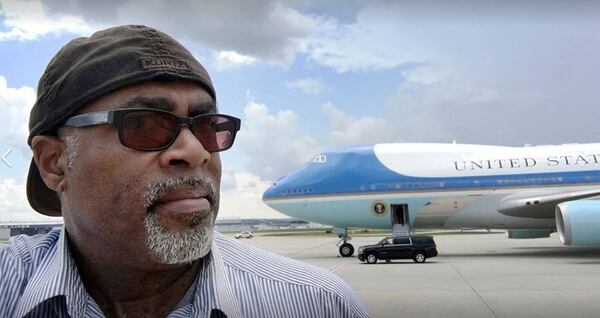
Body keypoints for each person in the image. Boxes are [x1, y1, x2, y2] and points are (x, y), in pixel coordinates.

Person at [0, 25, 369, 318]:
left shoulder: (315, 305)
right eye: (144, 124)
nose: (196, 152)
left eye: (208, 126)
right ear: (54, 162)